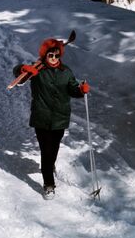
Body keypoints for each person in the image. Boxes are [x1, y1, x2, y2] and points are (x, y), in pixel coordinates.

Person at [13, 38, 90, 200]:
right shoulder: (37, 70)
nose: (53, 58)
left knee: (53, 150)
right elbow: (19, 74)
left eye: (56, 55)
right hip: (41, 116)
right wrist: (23, 69)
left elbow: (73, 90)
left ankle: (48, 166)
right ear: (45, 55)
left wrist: (81, 90)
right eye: (50, 55)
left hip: (60, 118)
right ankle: (49, 184)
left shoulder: (66, 72)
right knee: (46, 150)